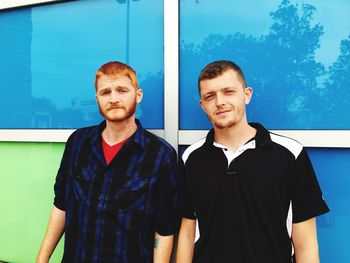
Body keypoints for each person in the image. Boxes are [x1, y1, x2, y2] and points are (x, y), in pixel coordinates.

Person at [176, 60, 329, 263]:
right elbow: (187, 232)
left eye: (228, 92)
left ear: (247, 94)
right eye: (210, 96)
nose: (219, 102)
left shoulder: (289, 154)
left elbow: (307, 243)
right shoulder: (191, 159)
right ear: (202, 105)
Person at [37, 61, 179, 263]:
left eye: (122, 90)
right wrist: (42, 258)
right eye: (105, 92)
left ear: (138, 95)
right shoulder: (78, 143)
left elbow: (164, 229)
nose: (113, 98)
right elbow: (61, 204)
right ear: (97, 99)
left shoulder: (160, 155)